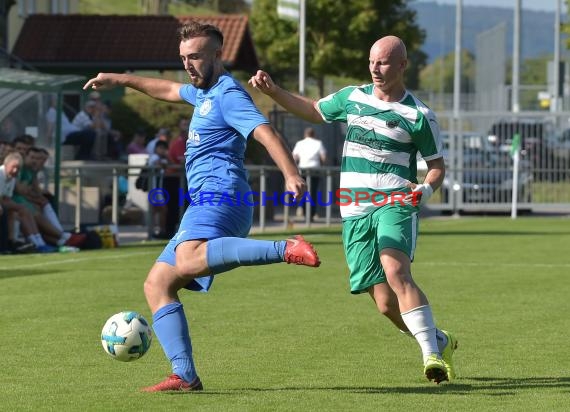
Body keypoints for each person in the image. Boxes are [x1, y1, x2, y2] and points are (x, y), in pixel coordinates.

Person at [83, 20, 321, 392]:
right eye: (183, 57)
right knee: (157, 283)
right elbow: (165, 88)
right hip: (207, 200)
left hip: (222, 194)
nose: (188, 64)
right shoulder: (202, 93)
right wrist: (121, 79)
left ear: (217, 55)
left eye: (195, 56)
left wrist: (291, 174)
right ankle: (185, 375)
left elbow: (265, 131)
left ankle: (285, 248)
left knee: (188, 261)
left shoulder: (228, 94)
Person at [249, 35, 457, 384]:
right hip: (354, 209)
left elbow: (437, 166)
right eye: (372, 61)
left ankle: (431, 356)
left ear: (403, 66)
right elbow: (314, 111)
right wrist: (273, 92)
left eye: (385, 62)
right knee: (385, 304)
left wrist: (424, 190)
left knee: (396, 271)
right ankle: (438, 339)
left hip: (395, 202)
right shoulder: (352, 97)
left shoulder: (419, 115)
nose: (376, 68)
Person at [292, 127, 327, 220]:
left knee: (303, 191)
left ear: (305, 134)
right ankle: (312, 213)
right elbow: (323, 157)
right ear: (314, 134)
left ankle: (303, 209)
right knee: (313, 191)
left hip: (303, 169)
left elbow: (294, 157)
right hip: (315, 170)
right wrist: (322, 165)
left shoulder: (300, 143)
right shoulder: (318, 143)